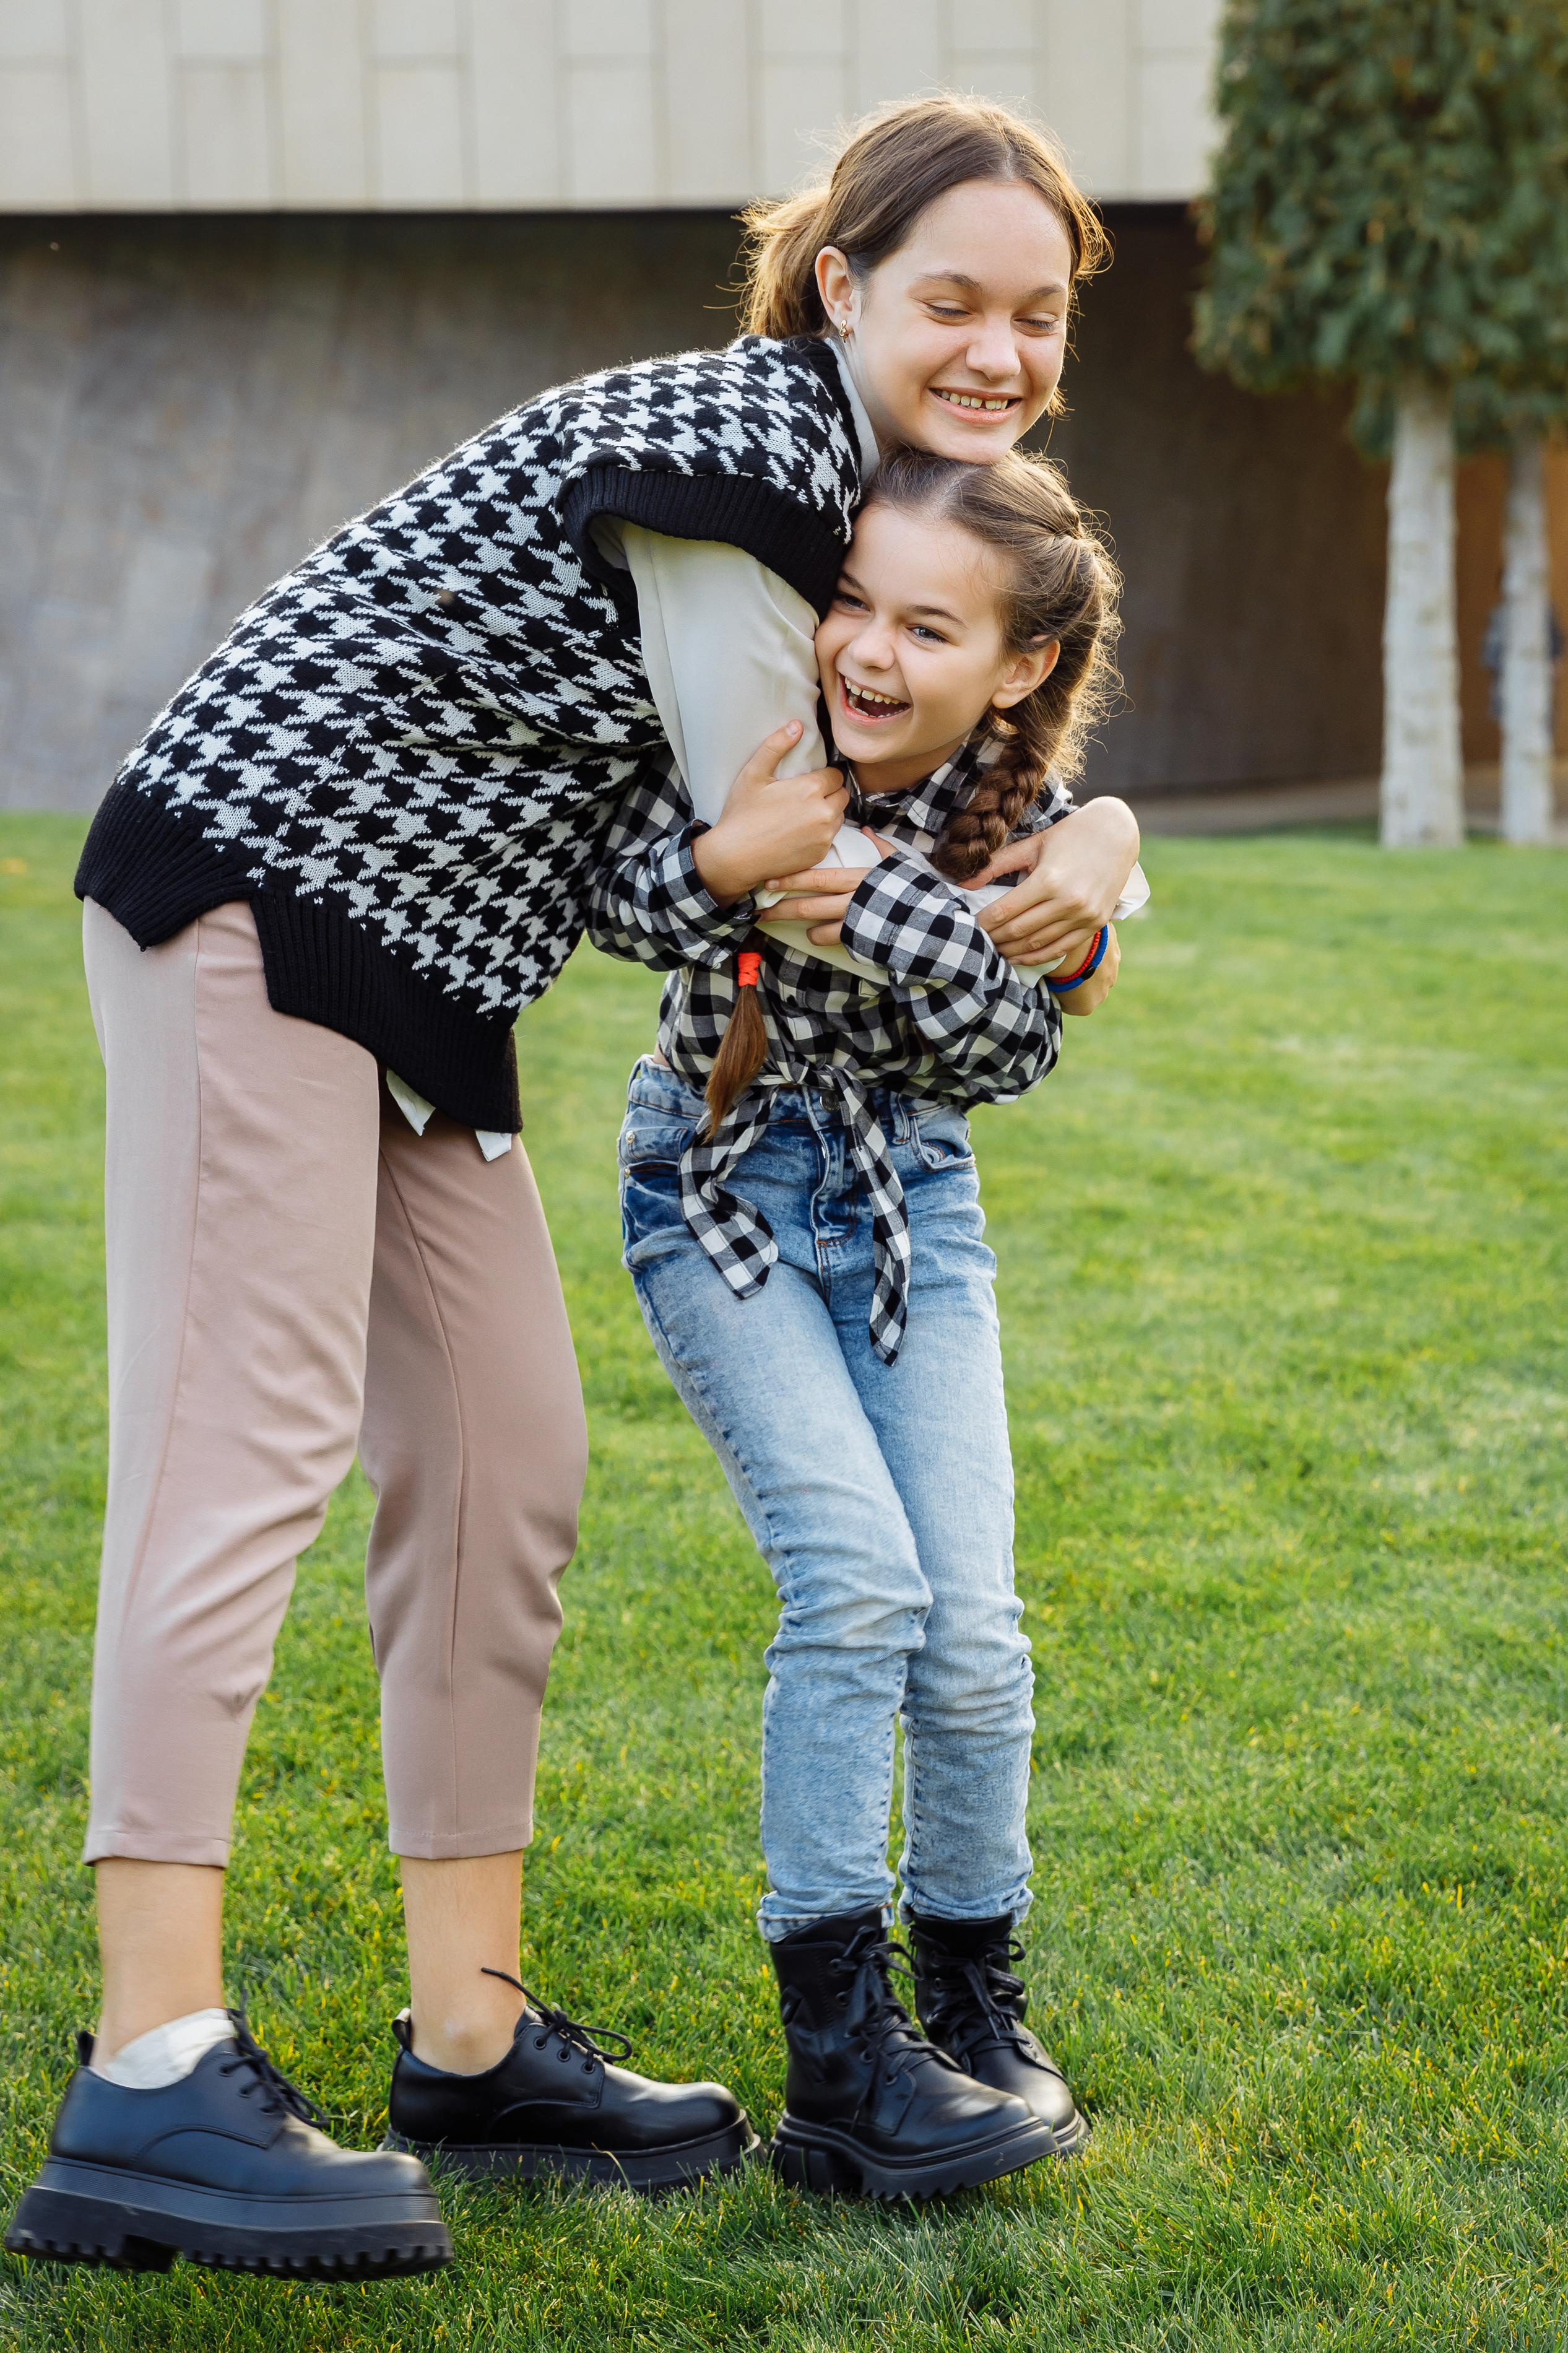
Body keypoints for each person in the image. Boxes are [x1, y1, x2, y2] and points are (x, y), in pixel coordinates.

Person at [7, 96, 1141, 2279]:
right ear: (839, 287)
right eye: (952, 300)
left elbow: (765, 827)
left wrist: (1092, 843)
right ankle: (148, 2070)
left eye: (1041, 313)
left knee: (511, 1463)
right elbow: (786, 859)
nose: (1000, 348)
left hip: (432, 966)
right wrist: (1074, 911)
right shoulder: (745, 460)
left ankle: (471, 2030)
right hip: (265, 898)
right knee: (235, 1461)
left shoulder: (844, 495)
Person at [588, 443, 1135, 2200]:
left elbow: (1011, 1050)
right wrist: (914, 911)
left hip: (918, 1208)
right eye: (852, 603)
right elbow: (624, 893)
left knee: (973, 1628)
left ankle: (978, 2007)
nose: (868, 652)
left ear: (1023, 666)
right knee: (859, 1586)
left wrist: (1073, 870)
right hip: (720, 1194)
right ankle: (840, 2064)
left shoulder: (1027, 830)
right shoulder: (761, 736)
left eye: (926, 624)